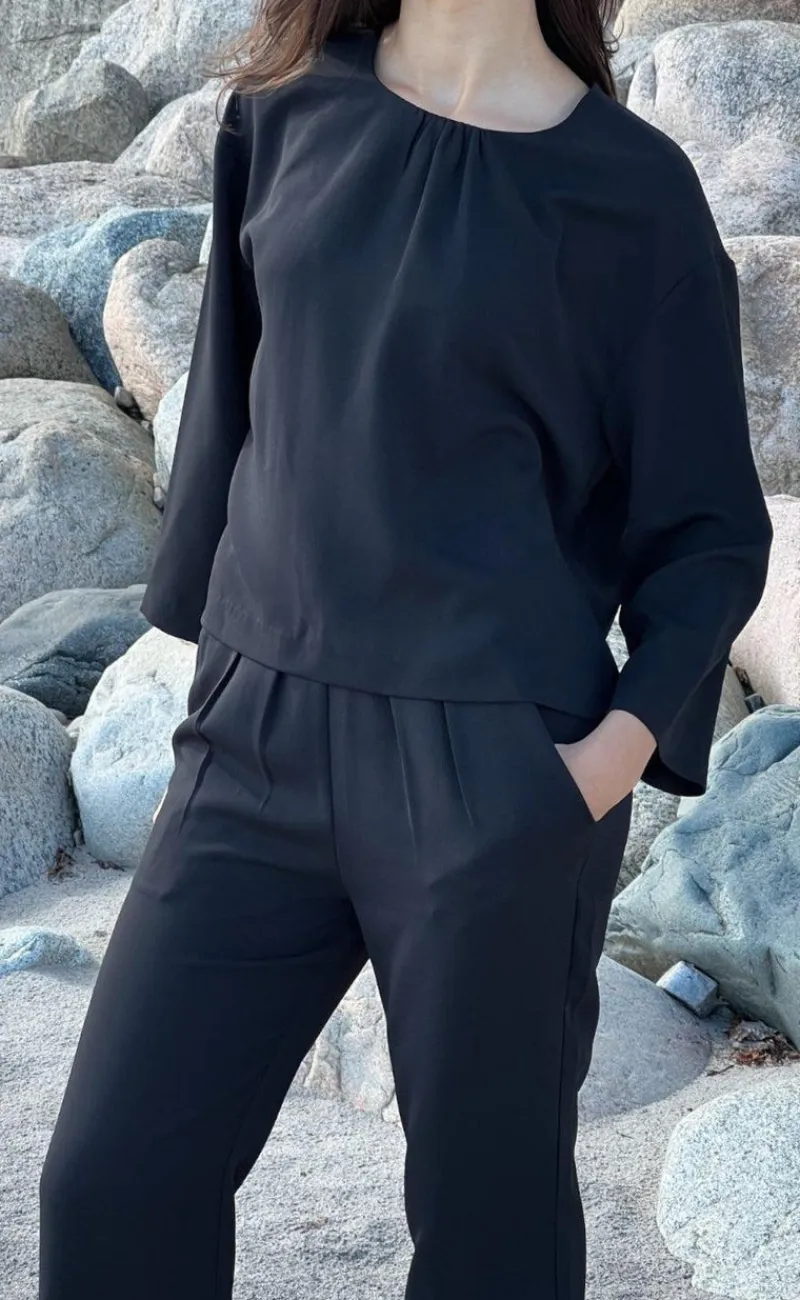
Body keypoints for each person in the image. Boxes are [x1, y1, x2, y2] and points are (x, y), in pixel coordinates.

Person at [37, 2, 774, 1298]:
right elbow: (234, 419)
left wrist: (601, 765)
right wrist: (216, 684)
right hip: (251, 745)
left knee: (490, 1240)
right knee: (109, 1183)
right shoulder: (281, 113)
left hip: (496, 774)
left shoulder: (632, 191)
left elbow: (710, 532)